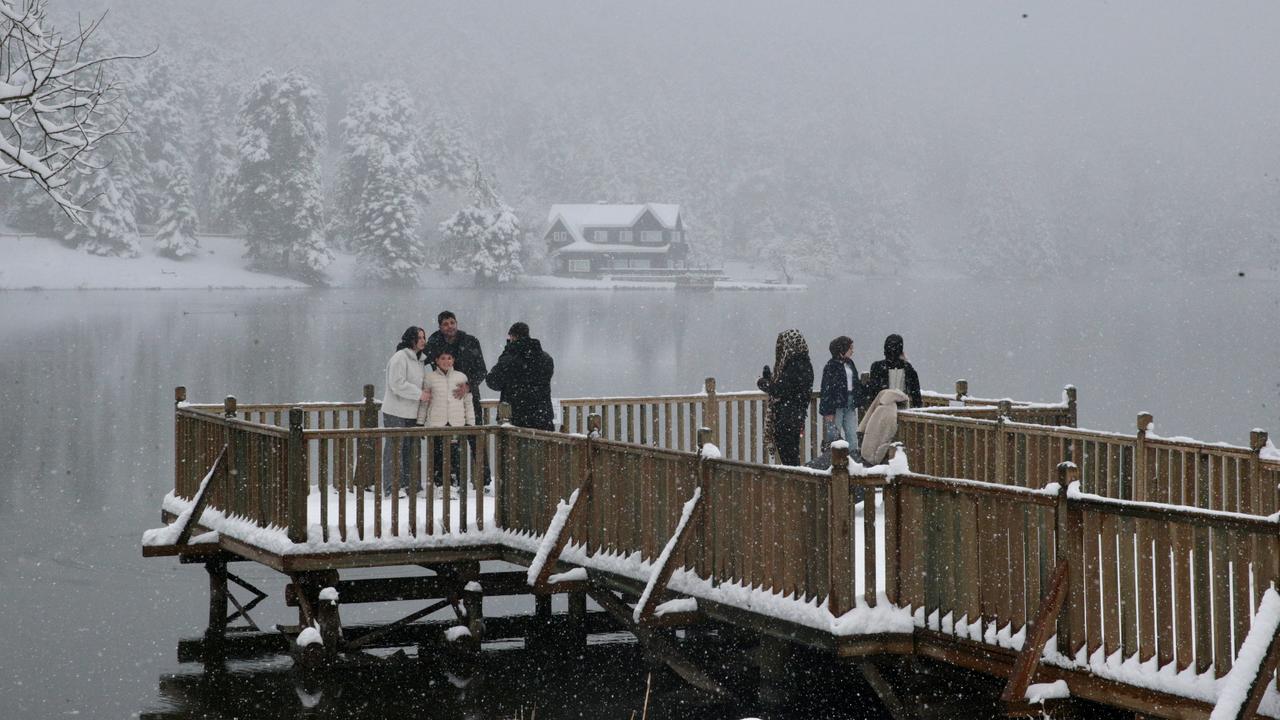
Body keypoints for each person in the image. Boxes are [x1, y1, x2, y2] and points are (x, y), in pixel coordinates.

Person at [380, 326, 430, 495]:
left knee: (411, 450)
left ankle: (411, 485)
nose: (423, 341)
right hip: (395, 411)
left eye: (424, 337)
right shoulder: (400, 357)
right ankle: (392, 487)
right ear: (411, 339)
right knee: (395, 449)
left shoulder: (420, 360)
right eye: (419, 337)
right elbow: (397, 383)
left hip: (412, 412)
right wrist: (419, 394)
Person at [757, 329, 814, 466]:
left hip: (787, 417)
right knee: (792, 454)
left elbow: (780, 390)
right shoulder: (805, 363)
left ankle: (794, 478)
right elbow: (789, 388)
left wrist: (763, 383)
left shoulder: (794, 364)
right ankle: (795, 476)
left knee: (788, 457)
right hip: (796, 416)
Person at [419, 348, 475, 487]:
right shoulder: (429, 378)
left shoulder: (461, 377)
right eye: (443, 358)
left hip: (456, 423)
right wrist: (420, 422)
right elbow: (424, 403)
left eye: (449, 358)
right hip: (437, 423)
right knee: (437, 456)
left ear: (453, 360)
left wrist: (470, 423)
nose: (446, 361)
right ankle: (439, 485)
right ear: (437, 361)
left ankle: (455, 485)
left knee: (455, 456)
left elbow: (468, 402)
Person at [486, 322, 555, 431]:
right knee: (542, 442)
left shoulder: (509, 359)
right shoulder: (546, 358)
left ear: (513, 337)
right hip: (542, 417)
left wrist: (506, 352)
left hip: (516, 419)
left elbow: (492, 381)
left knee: (515, 443)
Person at [424, 311, 488, 425]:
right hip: (441, 403)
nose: (450, 326)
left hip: (469, 398)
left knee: (474, 432)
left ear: (456, 323)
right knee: (443, 435)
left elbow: (481, 370)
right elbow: (418, 360)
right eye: (445, 324)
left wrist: (469, 386)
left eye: (452, 322)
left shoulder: (471, 342)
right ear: (440, 327)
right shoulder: (434, 344)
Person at [819, 335, 865, 456]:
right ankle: (832, 461)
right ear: (842, 349)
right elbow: (826, 388)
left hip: (850, 403)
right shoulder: (831, 366)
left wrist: (861, 395)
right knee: (834, 436)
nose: (852, 351)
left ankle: (853, 459)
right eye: (850, 348)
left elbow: (855, 383)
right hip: (836, 405)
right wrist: (828, 411)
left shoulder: (850, 363)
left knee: (852, 435)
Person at [866, 333, 922, 409]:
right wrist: (918, 408)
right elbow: (916, 393)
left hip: (882, 407)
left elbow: (872, 392)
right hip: (901, 408)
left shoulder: (877, 367)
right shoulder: (907, 368)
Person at [859, 388, 909, 465]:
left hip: (865, 453)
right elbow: (886, 439)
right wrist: (876, 460)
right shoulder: (891, 412)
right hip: (873, 458)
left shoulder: (880, 406)